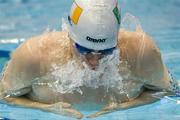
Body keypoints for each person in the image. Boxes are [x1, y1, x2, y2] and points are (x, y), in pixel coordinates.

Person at [0, 0, 179, 119]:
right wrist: (45, 109)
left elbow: (169, 92)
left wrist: (126, 106)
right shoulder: (33, 56)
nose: (94, 61)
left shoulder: (142, 52)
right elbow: (2, 97)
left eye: (106, 52)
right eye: (84, 50)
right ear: (70, 35)